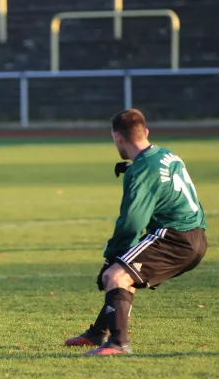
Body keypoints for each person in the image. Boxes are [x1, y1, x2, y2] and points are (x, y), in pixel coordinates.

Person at [65, 109, 208, 355]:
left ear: (117, 138)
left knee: (115, 276)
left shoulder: (142, 171)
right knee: (125, 273)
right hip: (195, 235)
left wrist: (113, 253)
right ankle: (98, 333)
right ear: (146, 132)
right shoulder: (166, 154)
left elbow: (132, 221)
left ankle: (119, 344)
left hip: (174, 237)